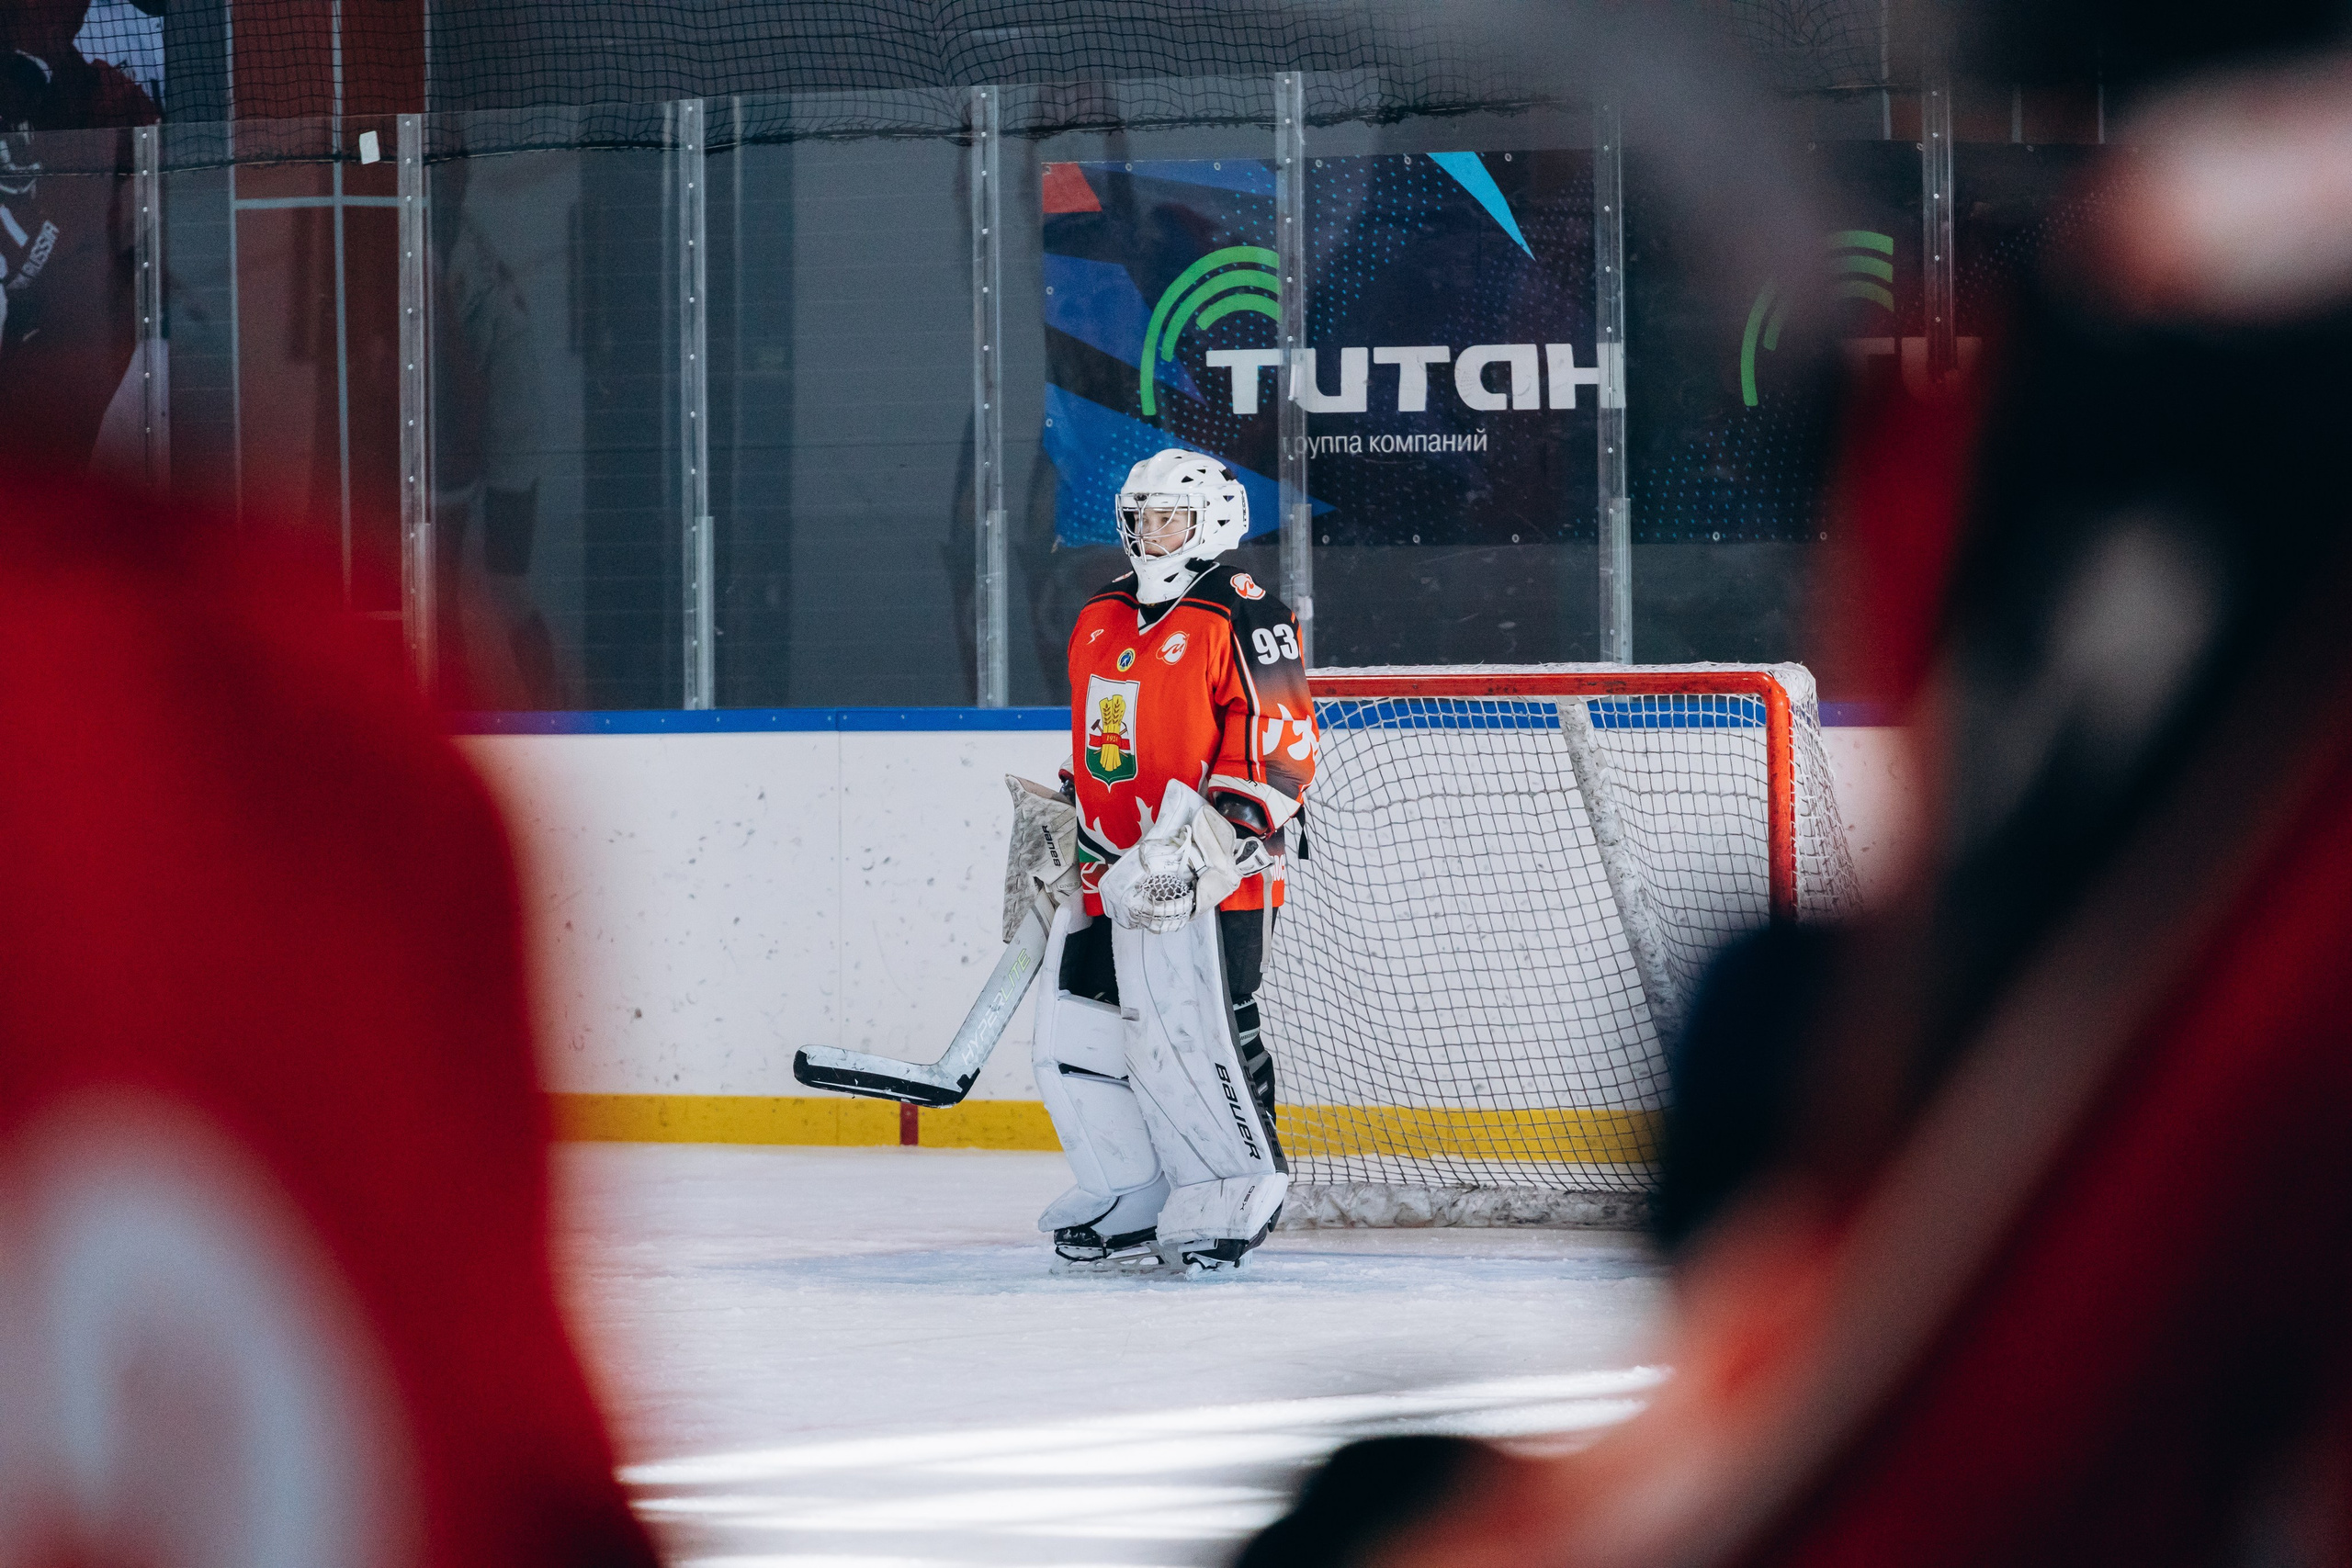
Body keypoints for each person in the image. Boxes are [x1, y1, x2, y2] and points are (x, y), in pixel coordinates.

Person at [1029, 448, 1317, 1271]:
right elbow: (1103, 740)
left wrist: (1211, 843)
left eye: (1168, 519)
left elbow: (1285, 744)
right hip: (1106, 871)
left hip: (1213, 877)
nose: (1149, 535)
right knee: (1085, 1033)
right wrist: (1065, 812)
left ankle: (1231, 1183)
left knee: (1203, 1030)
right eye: (1140, 518)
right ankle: (1132, 1188)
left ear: (1214, 523)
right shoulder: (1101, 614)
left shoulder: (1244, 611)